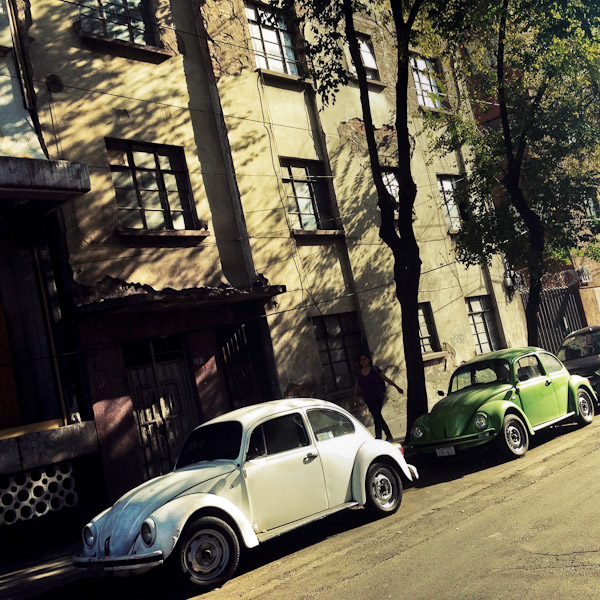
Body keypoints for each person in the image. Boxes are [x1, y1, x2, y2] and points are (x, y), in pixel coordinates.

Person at [353, 354, 403, 442]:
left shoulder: (375, 369)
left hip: (378, 396)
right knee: (378, 416)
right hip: (368, 398)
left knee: (376, 416)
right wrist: (355, 398)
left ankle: (378, 438)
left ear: (368, 360)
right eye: (361, 360)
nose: (363, 361)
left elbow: (386, 379)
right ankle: (389, 435)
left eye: (365, 359)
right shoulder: (359, 373)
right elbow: (356, 387)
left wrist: (397, 387)